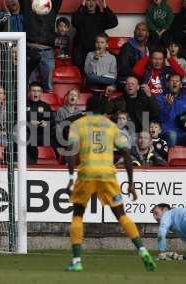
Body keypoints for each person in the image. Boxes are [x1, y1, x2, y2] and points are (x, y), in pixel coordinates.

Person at [65, 95, 156, 272]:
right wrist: (131, 183)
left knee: (77, 215)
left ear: (88, 108)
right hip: (108, 174)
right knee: (121, 215)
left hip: (87, 173)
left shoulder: (78, 125)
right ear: (106, 110)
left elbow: (70, 153)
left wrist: (70, 179)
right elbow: (127, 154)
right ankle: (143, 250)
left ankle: (76, 261)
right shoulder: (112, 126)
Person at [18, 0, 63, 92]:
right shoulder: (28, 6)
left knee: (48, 85)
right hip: (29, 50)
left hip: (47, 51)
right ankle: (27, 107)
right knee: (28, 84)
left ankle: (46, 107)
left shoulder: (52, 7)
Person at [71, 0, 118, 70]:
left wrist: (106, 8)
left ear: (97, 2)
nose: (91, 3)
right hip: (82, 51)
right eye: (88, 0)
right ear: (85, 2)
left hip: (98, 49)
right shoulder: (80, 14)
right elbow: (75, 22)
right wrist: (82, 5)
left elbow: (114, 23)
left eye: (94, 0)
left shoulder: (101, 16)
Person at [156, 74, 186, 149]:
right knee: (172, 135)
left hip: (182, 134)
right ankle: (168, 160)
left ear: (180, 85)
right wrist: (167, 106)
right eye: (172, 81)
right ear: (167, 84)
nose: (175, 83)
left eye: (177, 81)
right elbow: (159, 119)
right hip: (166, 133)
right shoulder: (160, 99)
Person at [26, 82, 55, 164]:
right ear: (29, 92)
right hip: (27, 134)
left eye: (38, 91)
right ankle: (32, 163)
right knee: (28, 137)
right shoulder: (23, 105)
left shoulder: (45, 106)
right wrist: (29, 123)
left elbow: (50, 120)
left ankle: (62, 163)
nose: (35, 93)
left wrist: (46, 123)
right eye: (33, 91)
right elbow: (16, 121)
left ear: (41, 93)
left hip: (41, 135)